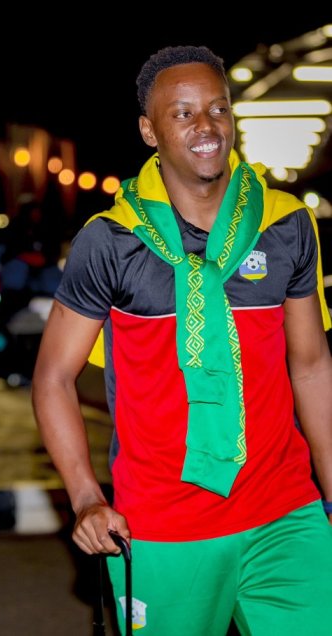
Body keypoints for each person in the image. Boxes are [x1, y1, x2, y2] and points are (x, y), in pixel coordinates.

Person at [32, 45, 332, 635]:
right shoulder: (112, 240)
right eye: (184, 113)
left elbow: (311, 366)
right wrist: (87, 498)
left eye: (218, 109)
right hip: (161, 529)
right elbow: (53, 378)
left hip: (285, 516)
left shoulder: (285, 223)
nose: (207, 127)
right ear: (150, 130)